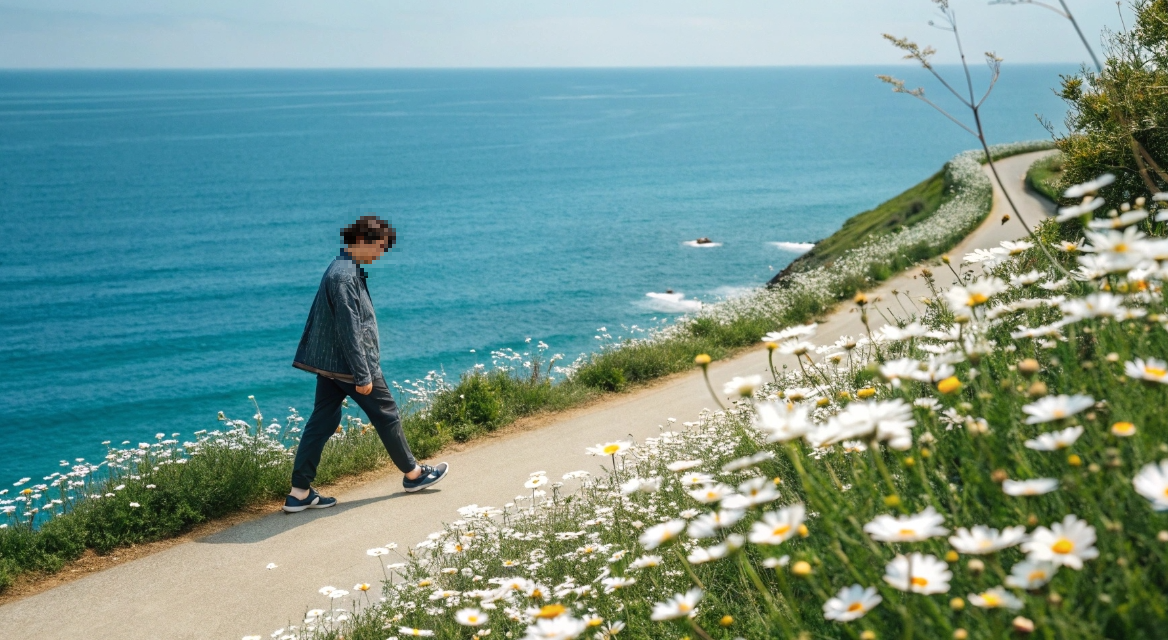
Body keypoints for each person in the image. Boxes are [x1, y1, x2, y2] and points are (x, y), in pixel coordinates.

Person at [285, 215, 448, 513]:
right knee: (387, 415)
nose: (381, 254)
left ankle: (299, 492)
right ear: (361, 240)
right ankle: (413, 474)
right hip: (351, 367)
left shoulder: (342, 267)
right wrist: (363, 375)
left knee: (321, 423)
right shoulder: (345, 276)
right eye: (379, 247)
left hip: (331, 365)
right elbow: (350, 331)